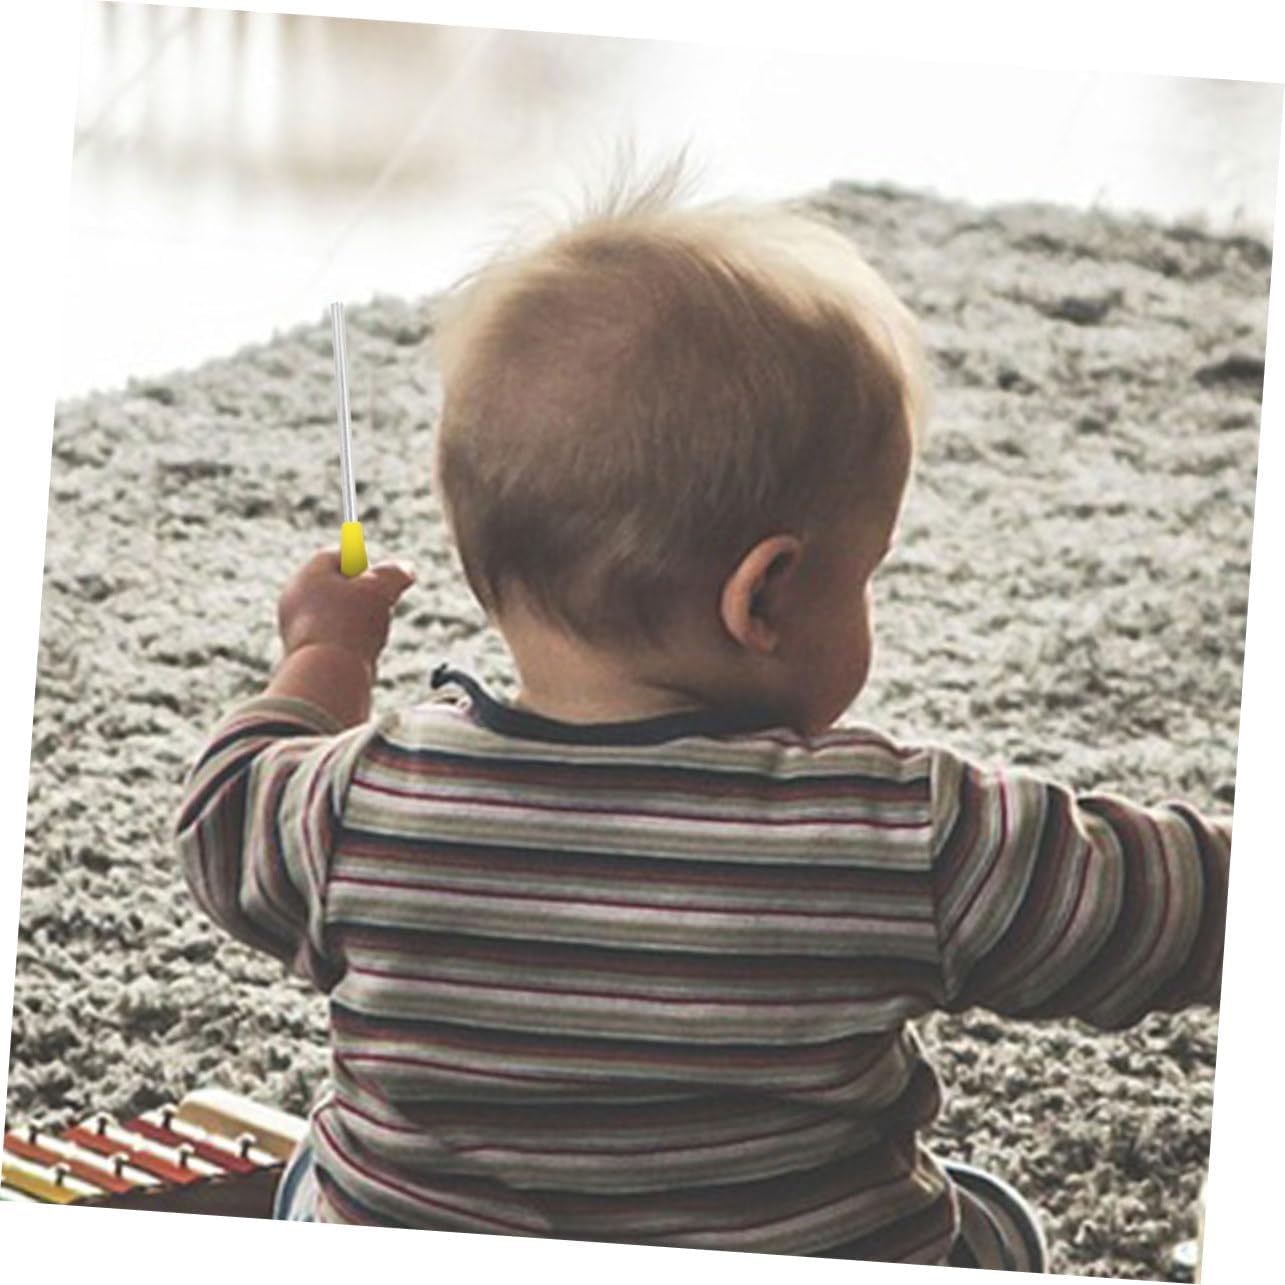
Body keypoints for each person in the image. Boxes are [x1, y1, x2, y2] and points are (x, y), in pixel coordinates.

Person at [175, 164, 1229, 1270]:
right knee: (991, 1217)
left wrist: (327, 652)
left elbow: (225, 807)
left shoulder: (357, 805)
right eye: (865, 575)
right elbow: (1167, 905)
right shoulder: (900, 835)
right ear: (762, 597)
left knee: (314, 1172)